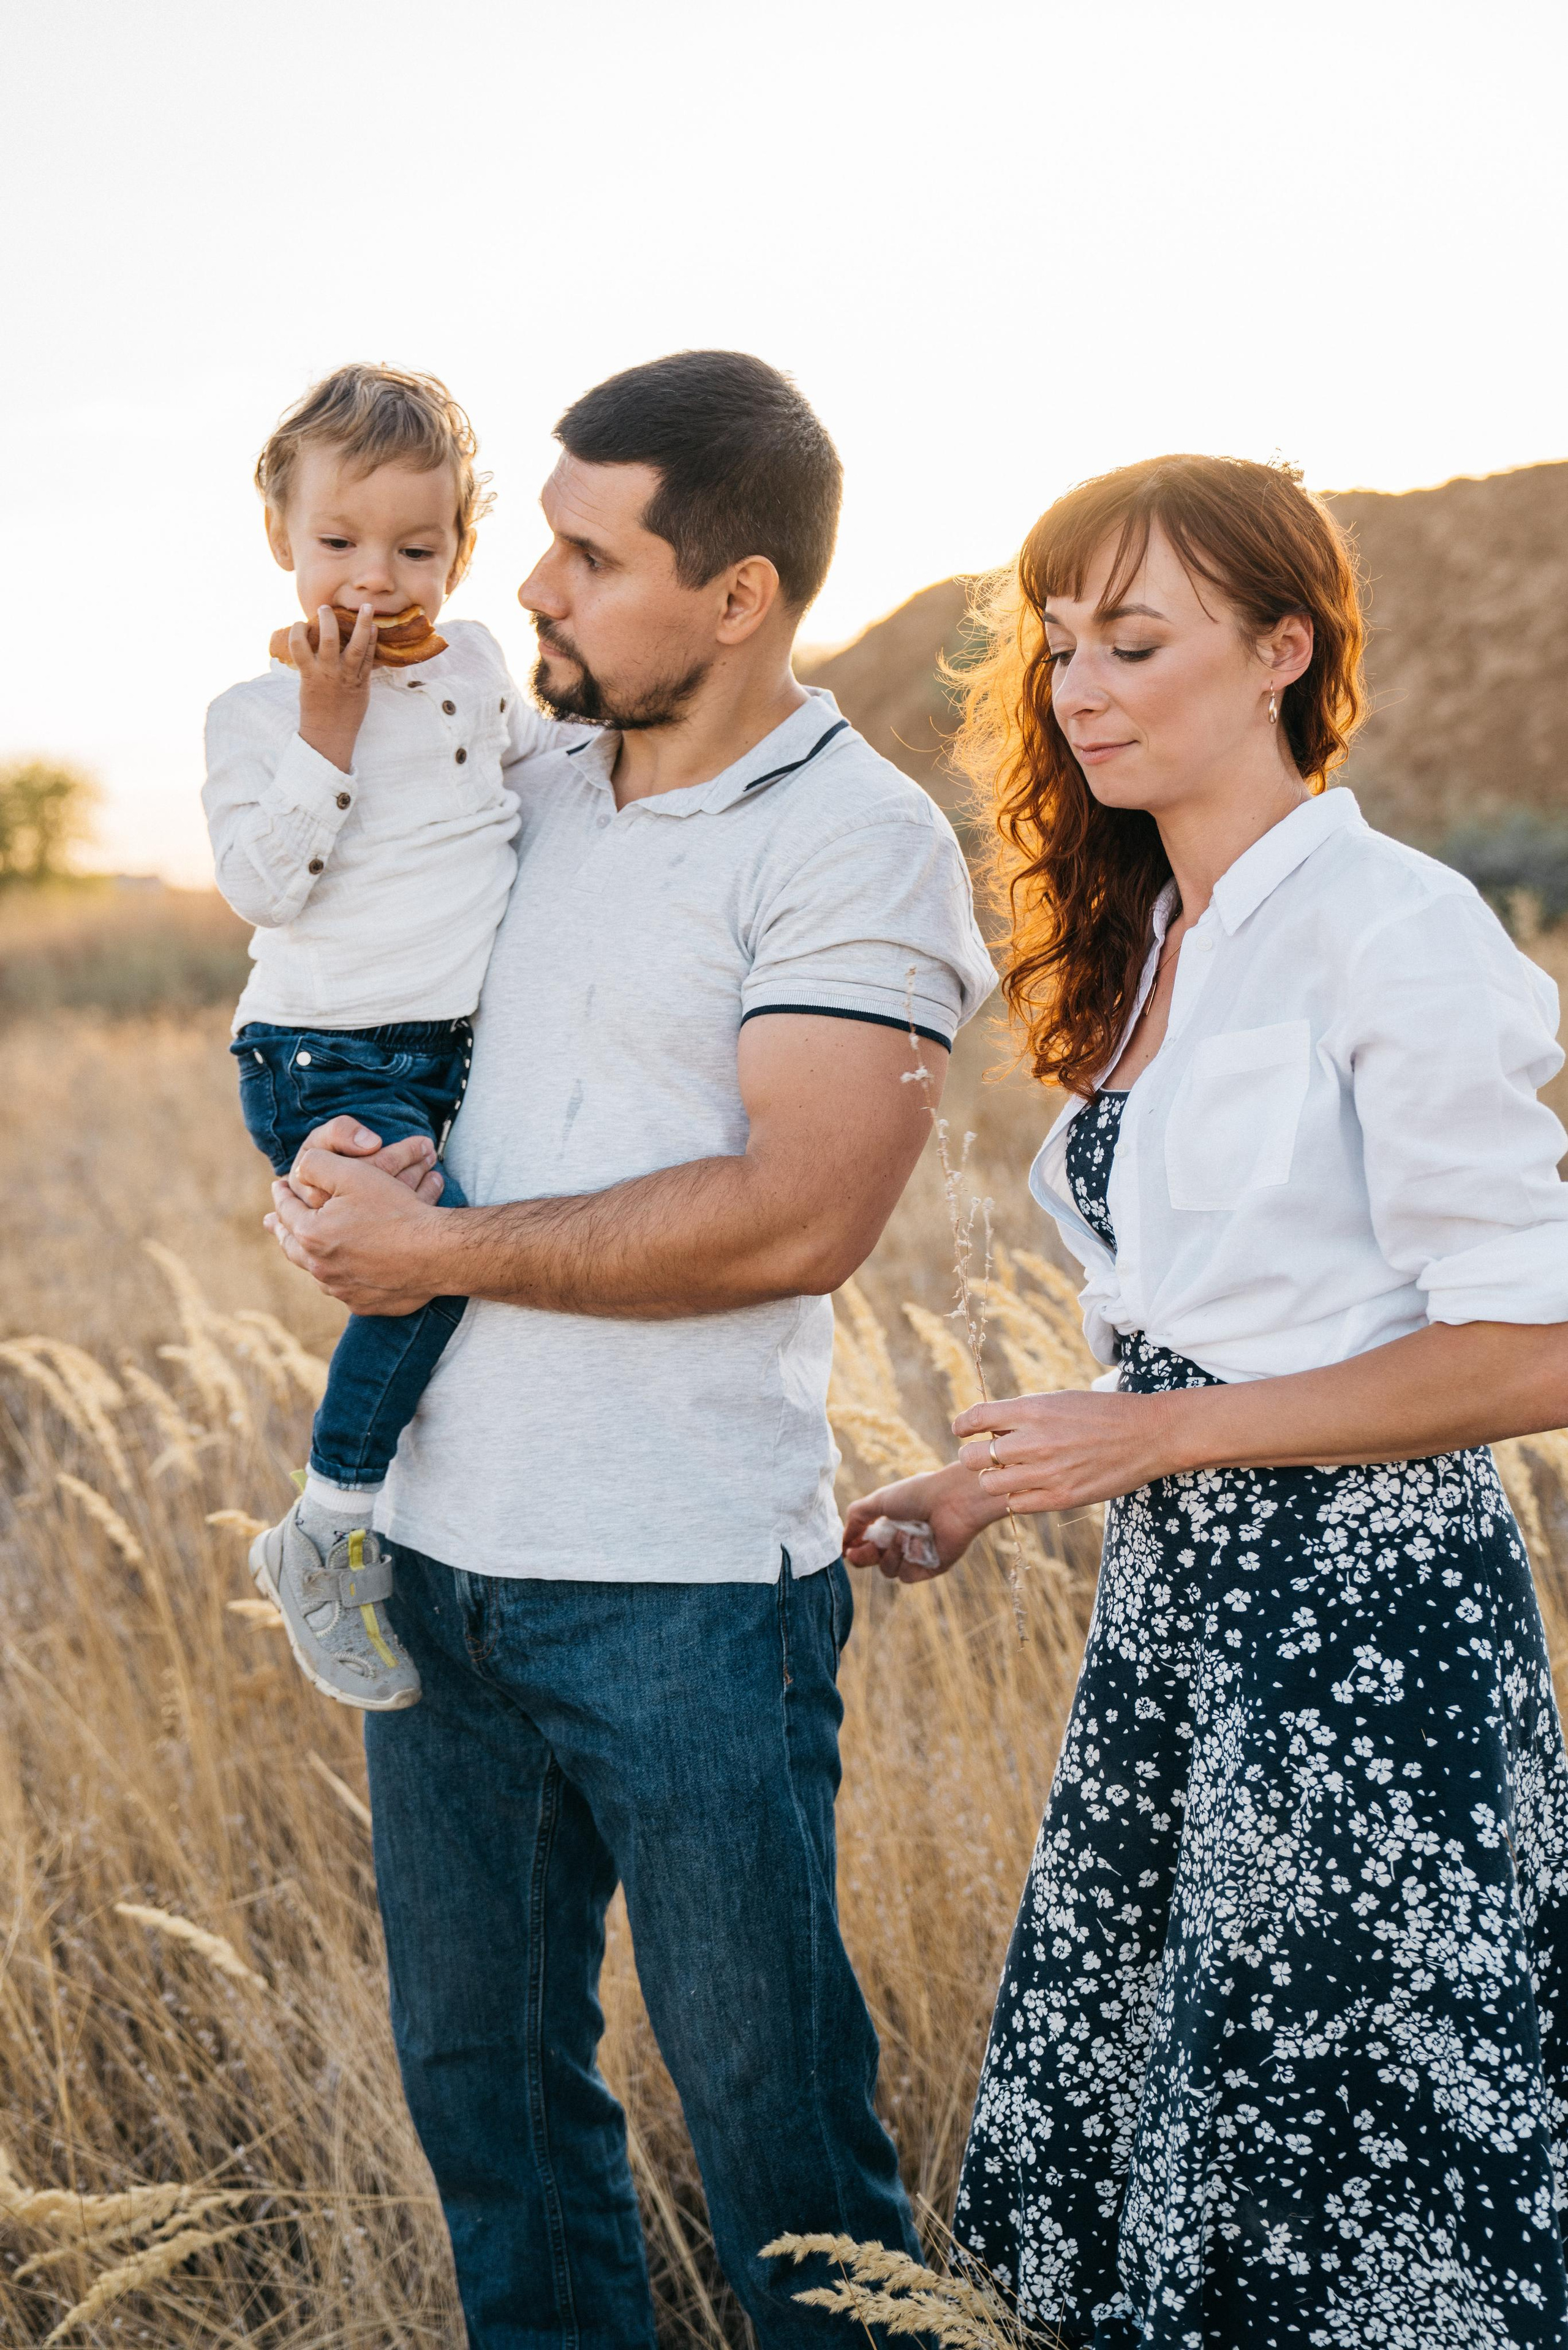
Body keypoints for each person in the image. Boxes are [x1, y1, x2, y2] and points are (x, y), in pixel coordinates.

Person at [264, 350, 998, 2346]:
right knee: (495, 2122)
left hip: (685, 1599)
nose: (538, 594)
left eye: (593, 558)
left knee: (785, 2162)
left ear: (737, 596)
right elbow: (361, 1003)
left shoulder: (855, 839)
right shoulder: (515, 784)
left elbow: (798, 1209)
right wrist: (333, 1172)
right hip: (436, 1574)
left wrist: (438, 1247)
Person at [843, 454, 1568, 2348]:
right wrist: (1012, 1473)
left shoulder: (1390, 926)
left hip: (1367, 1643)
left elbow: (1536, 1345)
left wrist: (1150, 1438)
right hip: (1187, 1614)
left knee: (1353, 2183)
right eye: (1061, 642)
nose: (1080, 683)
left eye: (1135, 637)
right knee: (1191, 2157)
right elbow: (1234, 1321)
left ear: (1281, 652)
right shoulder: (1165, 933)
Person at [205, 363, 568, 1711]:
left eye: (418, 548)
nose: (377, 579)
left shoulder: (475, 663)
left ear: (462, 552)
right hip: (328, 1051)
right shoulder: (253, 718)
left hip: (454, 1043)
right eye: (339, 544)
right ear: (283, 545)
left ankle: (406, 1505)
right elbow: (262, 888)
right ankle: (325, 1514)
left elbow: (535, 771)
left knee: (472, 1258)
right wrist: (328, 733)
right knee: (426, 1264)